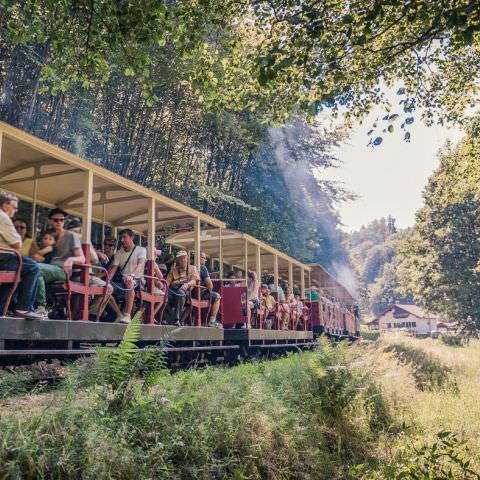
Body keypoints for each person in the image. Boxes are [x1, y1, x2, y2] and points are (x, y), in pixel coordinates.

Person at [0, 192, 43, 319]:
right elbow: (17, 243)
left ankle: (2, 309)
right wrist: (16, 240)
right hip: (2, 257)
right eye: (14, 207)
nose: (16, 210)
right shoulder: (3, 216)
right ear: (4, 204)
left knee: (15, 275)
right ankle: (24, 308)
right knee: (33, 267)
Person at [35, 208, 86, 315]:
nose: (59, 222)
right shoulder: (48, 236)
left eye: (61, 220)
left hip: (61, 270)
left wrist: (71, 259)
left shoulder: (71, 235)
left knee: (35, 268)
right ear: (50, 221)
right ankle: (20, 306)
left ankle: (40, 307)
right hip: (48, 268)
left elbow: (82, 258)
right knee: (28, 267)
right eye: (56, 220)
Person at [108, 228, 147, 324]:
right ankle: (119, 314)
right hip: (122, 280)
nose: (122, 240)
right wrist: (107, 281)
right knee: (106, 288)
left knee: (129, 282)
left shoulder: (141, 250)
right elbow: (113, 268)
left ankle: (127, 315)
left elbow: (141, 264)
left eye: (124, 237)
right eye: (121, 238)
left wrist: (132, 275)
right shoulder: (119, 253)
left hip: (137, 280)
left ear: (132, 238)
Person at [165, 250, 199, 326]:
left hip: (185, 291)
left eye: (184, 258)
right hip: (173, 290)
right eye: (180, 258)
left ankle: (177, 319)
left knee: (180, 294)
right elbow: (167, 283)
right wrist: (164, 289)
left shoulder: (192, 268)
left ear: (187, 259)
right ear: (177, 260)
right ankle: (171, 319)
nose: (182, 260)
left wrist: (187, 284)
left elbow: (194, 281)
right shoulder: (173, 270)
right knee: (163, 296)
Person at [199, 251, 222, 328]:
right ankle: (212, 321)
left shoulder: (191, 266)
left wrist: (211, 274)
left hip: (190, 293)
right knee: (217, 296)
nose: (205, 260)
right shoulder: (202, 267)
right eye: (204, 258)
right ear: (199, 258)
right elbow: (210, 285)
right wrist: (208, 290)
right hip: (200, 294)